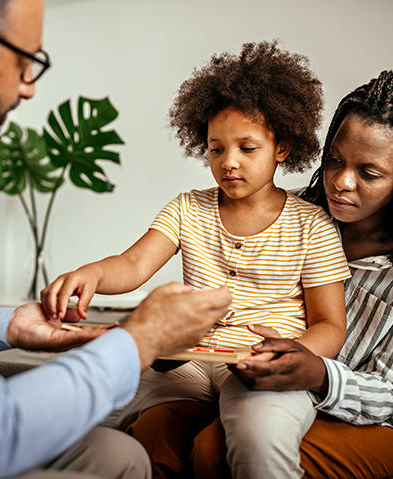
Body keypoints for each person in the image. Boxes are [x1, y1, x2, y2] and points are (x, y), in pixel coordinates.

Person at [0, 1, 233, 478]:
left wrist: (6, 325)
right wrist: (142, 337)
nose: (29, 87)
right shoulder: (191, 207)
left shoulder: (305, 223)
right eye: (26, 63)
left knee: (116, 453)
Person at [41, 42, 351, 479]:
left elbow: (331, 325)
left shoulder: (311, 225)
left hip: (260, 368)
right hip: (188, 363)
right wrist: (90, 273)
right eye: (216, 148)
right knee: (126, 426)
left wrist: (292, 356)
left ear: (281, 148)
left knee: (259, 444)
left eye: (247, 148)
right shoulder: (188, 208)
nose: (229, 163)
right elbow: (132, 265)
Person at [126, 70, 393, 479]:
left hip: (363, 413)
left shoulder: (313, 231)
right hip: (248, 378)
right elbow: (137, 265)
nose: (341, 181)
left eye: (369, 173)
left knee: (214, 453)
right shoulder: (290, 212)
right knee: (153, 435)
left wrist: (320, 375)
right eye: (334, 160)